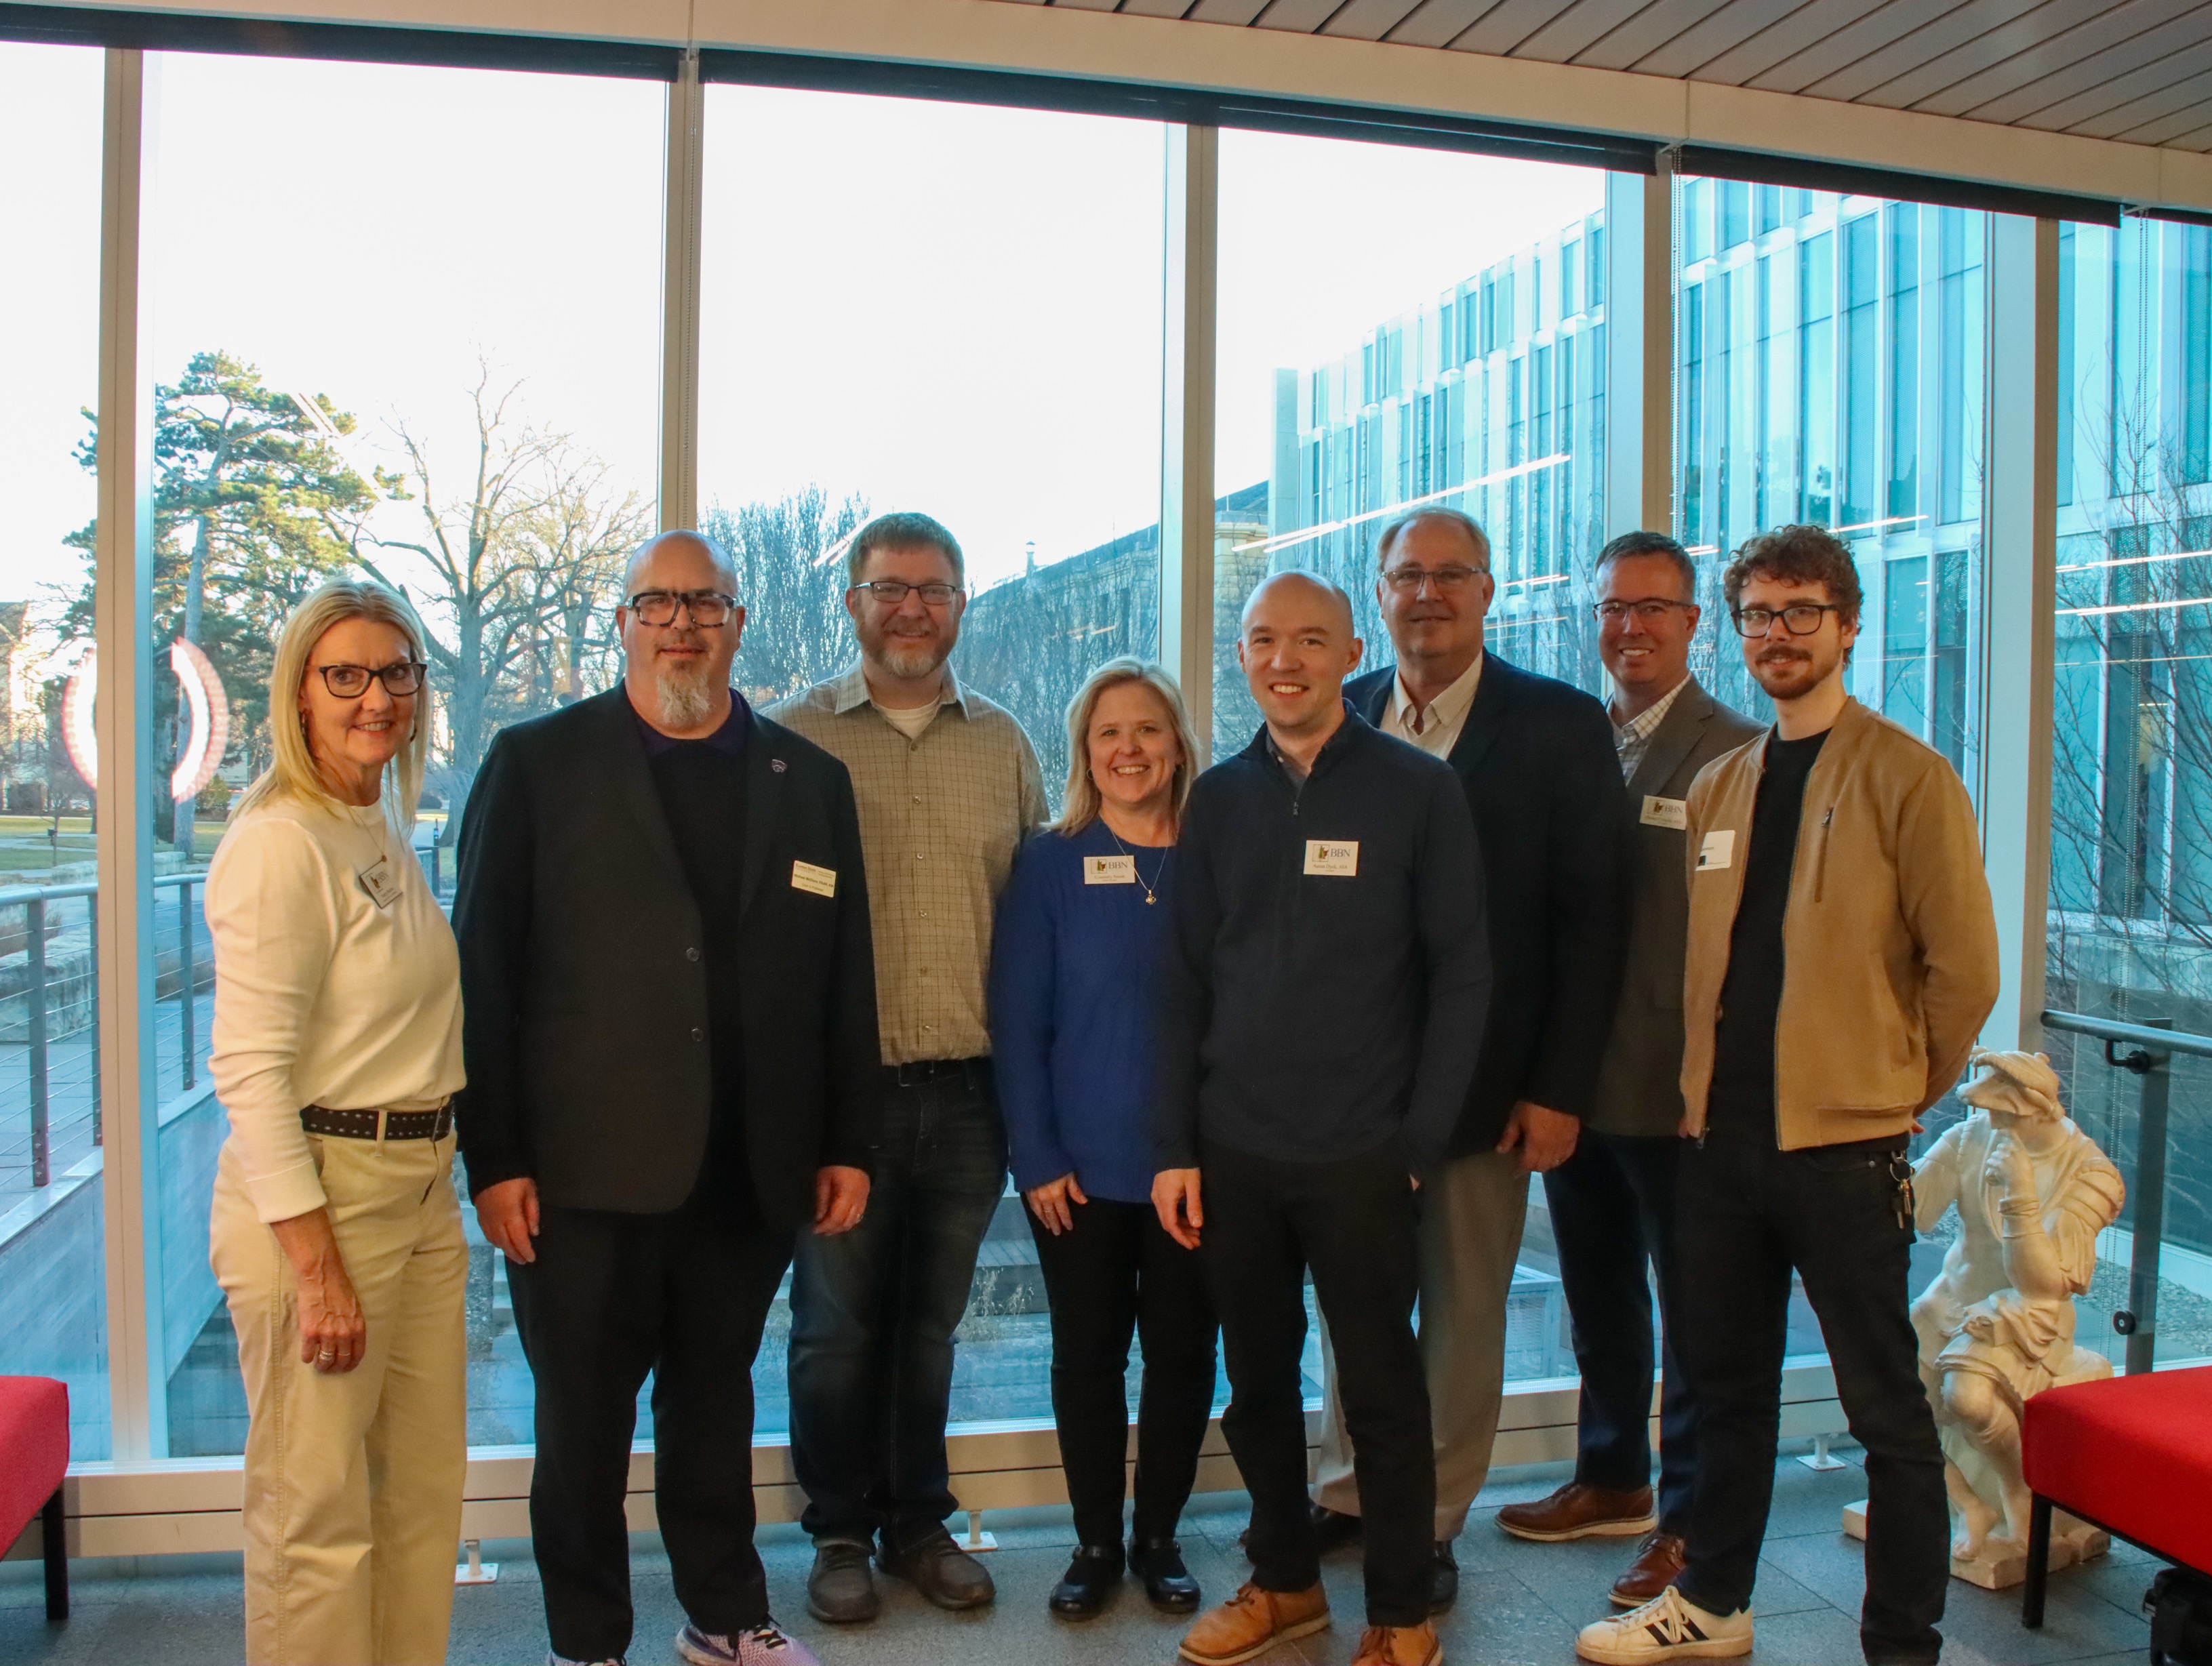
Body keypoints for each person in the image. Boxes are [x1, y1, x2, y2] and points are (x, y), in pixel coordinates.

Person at [1575, 524, 2000, 1666]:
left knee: (1885, 1415)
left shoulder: (1911, 778)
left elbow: (1964, 970)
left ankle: (1901, 1640)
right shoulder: (1723, 782)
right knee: (1727, 1393)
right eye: (1761, 615)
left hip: (1847, 1148)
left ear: (1848, 623)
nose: (1780, 635)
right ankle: (1711, 1606)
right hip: (1718, 1141)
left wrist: (1902, 1087)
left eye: (1802, 612)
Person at [455, 529, 880, 1666]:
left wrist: (847, 1139)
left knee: (716, 1405)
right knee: (581, 1425)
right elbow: (481, 972)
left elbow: (846, 978)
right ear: (625, 621)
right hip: (582, 1170)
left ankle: (725, 1617)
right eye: (659, 602)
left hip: (747, 1165)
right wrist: (491, 1158)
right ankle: (589, 1640)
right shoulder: (537, 763)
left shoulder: (810, 782)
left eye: (706, 602)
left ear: (741, 622)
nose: (683, 622)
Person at [1155, 571, 1489, 1666]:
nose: (1283, 660)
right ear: (1242, 657)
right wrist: (1177, 1146)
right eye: (1261, 640)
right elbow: (1184, 981)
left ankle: (1400, 1610)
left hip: (1363, 1152)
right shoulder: (1219, 800)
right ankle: (1286, 1580)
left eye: (1308, 639)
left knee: (1381, 1393)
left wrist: (1419, 1138)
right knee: (1253, 1385)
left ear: (1353, 650)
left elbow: (1463, 978)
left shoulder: (1416, 788)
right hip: (1236, 1147)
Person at [1323, 507, 1627, 1609]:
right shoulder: (1345, 712)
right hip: (1352, 1090)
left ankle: (1434, 1514)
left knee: (1460, 1313)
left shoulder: (1556, 725)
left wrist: (1559, 1088)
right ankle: (1356, 1489)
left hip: (1491, 1089)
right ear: (1380, 590)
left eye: (1452, 576)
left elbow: (1595, 925)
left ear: (1489, 592)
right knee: (1353, 1304)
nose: (1429, 595)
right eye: (1409, 575)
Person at [769, 511, 1047, 1624]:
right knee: (835, 1326)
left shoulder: (1006, 743)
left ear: (961, 604)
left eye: (934, 589)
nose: (912, 608)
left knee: (931, 1322)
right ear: (853, 601)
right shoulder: (792, 739)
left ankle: (917, 1518)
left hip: (971, 1091)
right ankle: (838, 1526)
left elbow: (1037, 920)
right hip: (844, 1096)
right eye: (890, 588)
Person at [1497, 533, 1761, 1606]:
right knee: (1598, 1292)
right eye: (1612, 608)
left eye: (1654, 608)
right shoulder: (1568, 738)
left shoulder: (1736, 751)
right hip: (1575, 1077)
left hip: (1677, 1090)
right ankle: (1613, 1475)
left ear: (1695, 624)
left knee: (1696, 1313)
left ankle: (1691, 1525)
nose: (1631, 627)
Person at [206, 578, 466, 1665]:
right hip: (325, 1204)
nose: (376, 696)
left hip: (418, 1195)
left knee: (416, 1502)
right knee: (314, 1519)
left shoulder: (371, 820)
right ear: (299, 694)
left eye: (396, 672)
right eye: (345, 675)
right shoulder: (281, 843)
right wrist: (315, 1267)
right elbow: (250, 1072)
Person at [988, 658, 1215, 1621]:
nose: (1130, 749)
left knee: (1181, 1355)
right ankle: (1094, 1542)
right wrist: (1034, 1154)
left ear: (1177, 746)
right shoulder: (1048, 863)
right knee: (1087, 1356)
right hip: (1074, 1171)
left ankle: (1158, 1535)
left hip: (1194, 1168)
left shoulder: (1217, 854)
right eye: (1109, 733)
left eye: (1149, 730)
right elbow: (1016, 1017)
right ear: (1085, 749)